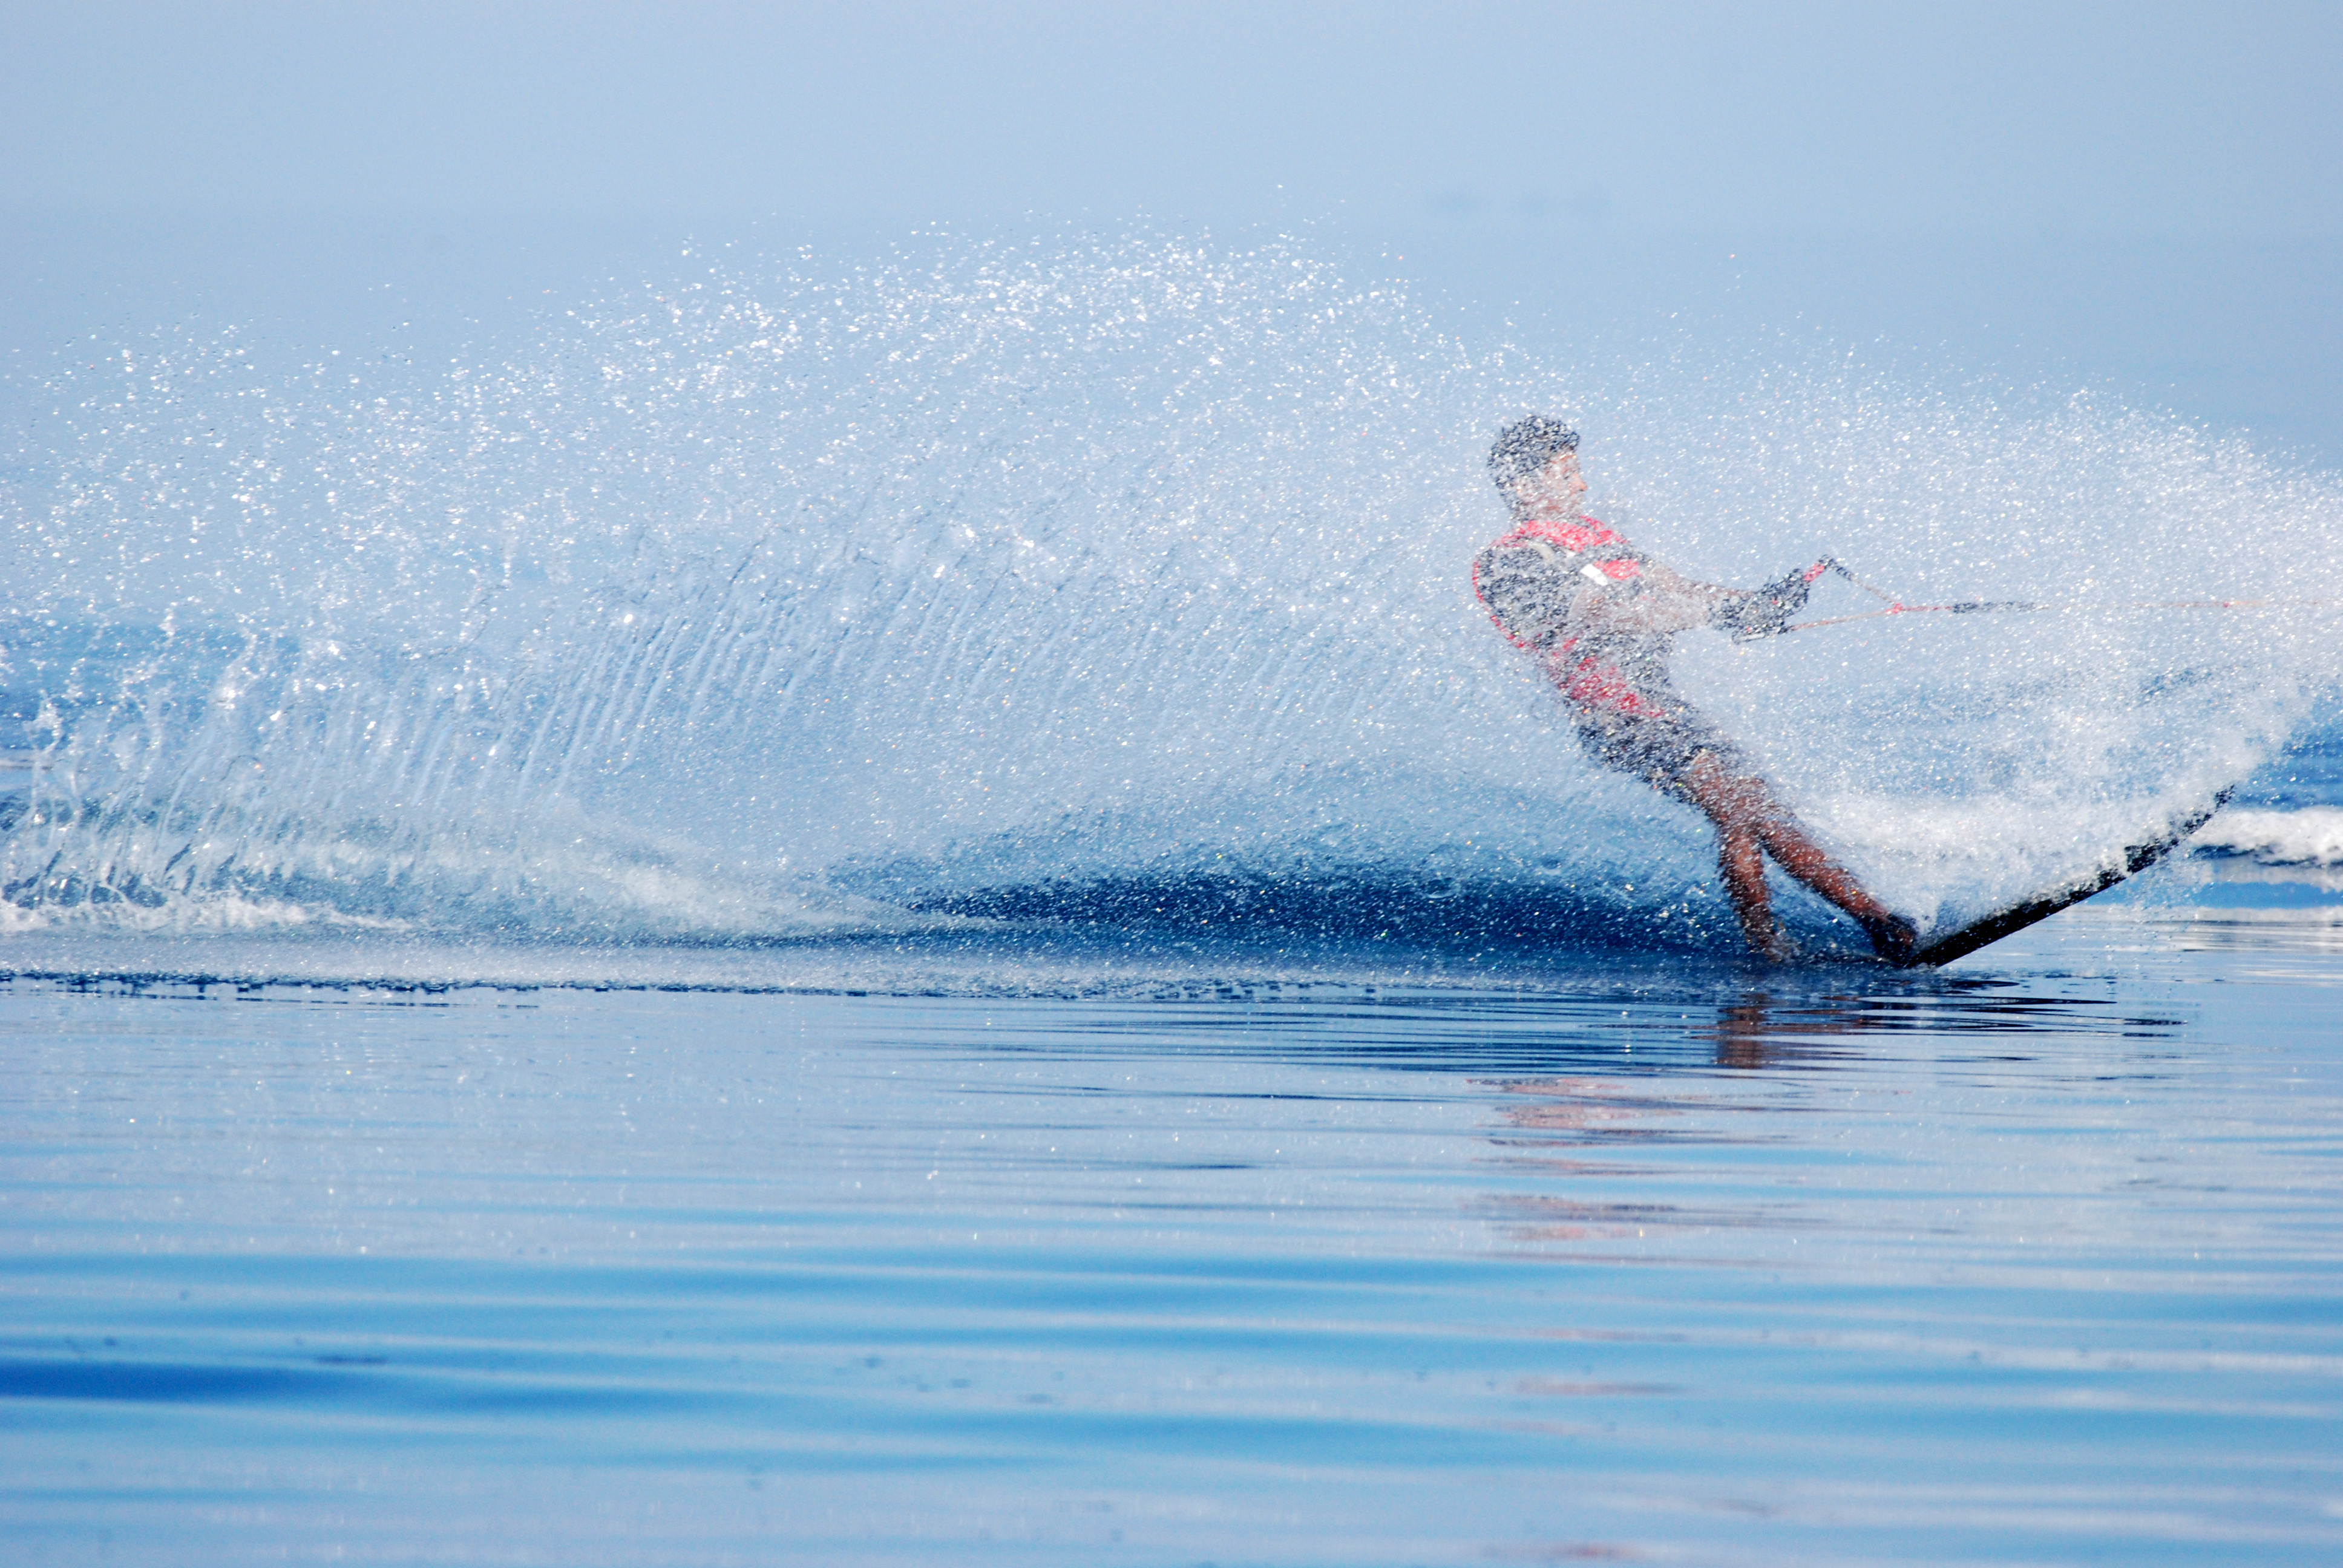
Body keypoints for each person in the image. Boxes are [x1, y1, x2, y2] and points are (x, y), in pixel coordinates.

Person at [1472, 415, 1918, 962]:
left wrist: (1750, 604)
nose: (1583, 486)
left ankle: (1839, 931)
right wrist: (1707, 611)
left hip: (1665, 707)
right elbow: (1606, 614)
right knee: (1738, 808)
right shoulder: (1510, 560)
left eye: (1579, 472)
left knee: (1763, 809)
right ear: (1523, 485)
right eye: (1568, 474)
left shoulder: (1599, 537)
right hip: (1614, 718)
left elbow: (1677, 588)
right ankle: (1824, 934)